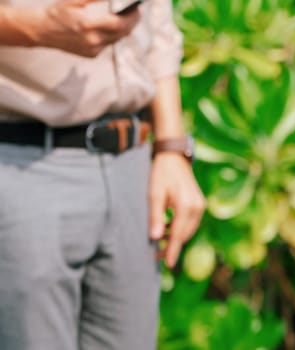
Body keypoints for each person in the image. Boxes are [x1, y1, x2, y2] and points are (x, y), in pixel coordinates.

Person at [0, 0, 204, 348]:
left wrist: (171, 146)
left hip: (131, 165)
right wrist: (33, 27)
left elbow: (156, 16)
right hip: (22, 164)